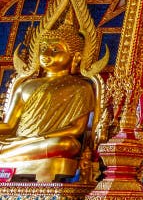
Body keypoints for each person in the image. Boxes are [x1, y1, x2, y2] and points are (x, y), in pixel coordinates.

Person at [0, 20, 95, 164]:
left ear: (76, 57)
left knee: (67, 145)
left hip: (47, 142)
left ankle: (6, 155)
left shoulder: (81, 87)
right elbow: (10, 126)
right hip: (19, 141)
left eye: (56, 49)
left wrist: (40, 137)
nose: (46, 53)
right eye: (43, 48)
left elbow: (77, 129)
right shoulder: (25, 86)